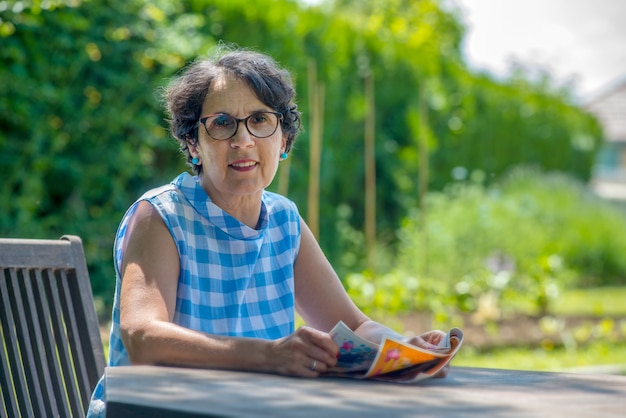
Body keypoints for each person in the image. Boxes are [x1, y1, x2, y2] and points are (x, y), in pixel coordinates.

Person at [87, 47, 446, 417]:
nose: (243, 140)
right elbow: (144, 337)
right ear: (194, 144)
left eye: (260, 120)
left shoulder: (283, 219)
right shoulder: (161, 215)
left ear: (285, 140)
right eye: (222, 123)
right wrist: (269, 355)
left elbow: (354, 325)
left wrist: (407, 350)